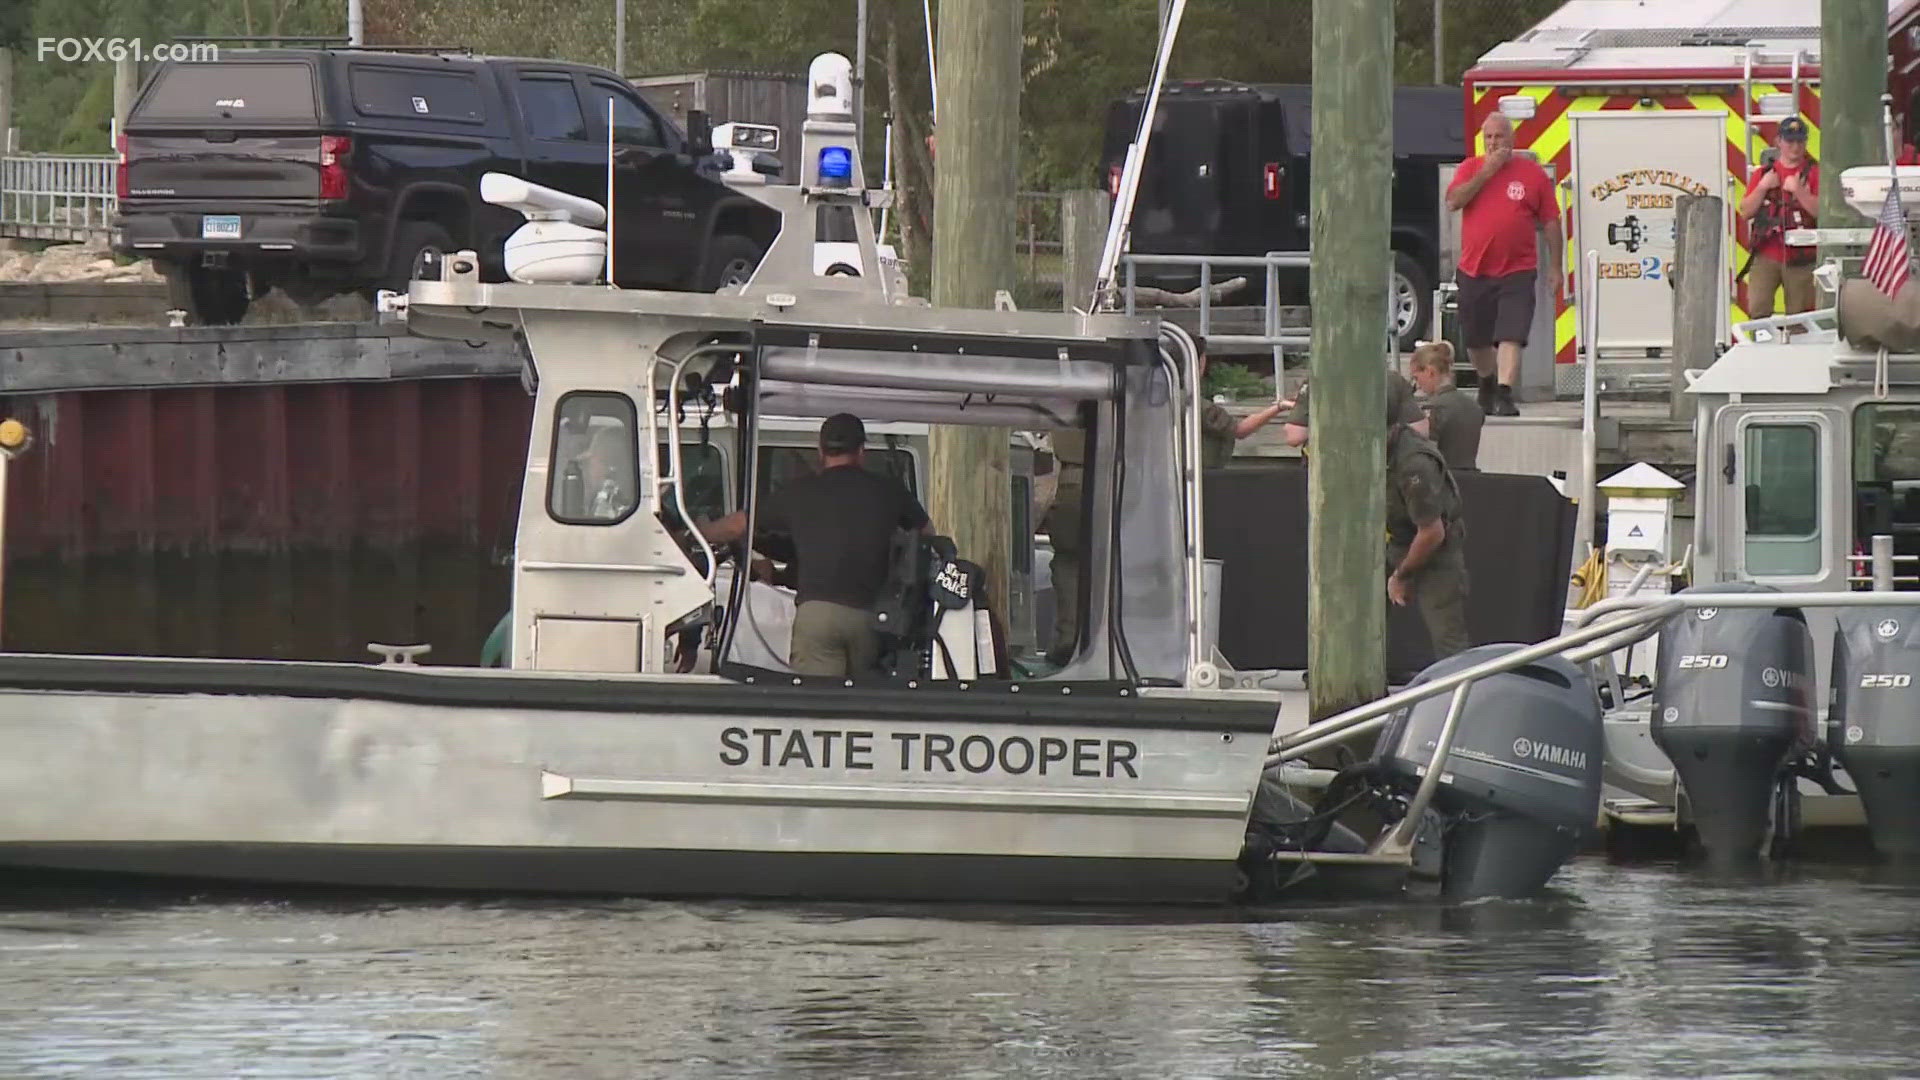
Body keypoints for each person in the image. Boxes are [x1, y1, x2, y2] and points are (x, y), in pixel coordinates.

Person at [700, 413, 931, 677]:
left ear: (820, 450)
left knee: (821, 707)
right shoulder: (889, 490)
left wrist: (698, 531)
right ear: (861, 451)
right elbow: (927, 535)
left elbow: (736, 526)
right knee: (867, 703)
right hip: (873, 615)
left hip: (817, 617)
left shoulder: (798, 493)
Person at [1445, 111, 1563, 418]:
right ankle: (1487, 383)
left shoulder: (1532, 174)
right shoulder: (1470, 168)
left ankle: (1505, 392)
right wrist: (1486, 172)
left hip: (1517, 270)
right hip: (1475, 269)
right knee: (1475, 339)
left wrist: (1555, 268)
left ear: (1512, 139)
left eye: (1500, 137)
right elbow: (1453, 202)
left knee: (1512, 333)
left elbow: (1551, 222)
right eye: (1489, 137)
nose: (1494, 143)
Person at [1386, 420, 1471, 662]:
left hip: (1433, 548)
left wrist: (1401, 575)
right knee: (1358, 623)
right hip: (1391, 535)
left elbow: (1432, 532)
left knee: (1448, 639)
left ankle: (1456, 692)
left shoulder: (1414, 464)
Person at [1737, 115, 1819, 319]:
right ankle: (1762, 349)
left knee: (1801, 317)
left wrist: (1799, 191)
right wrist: (1763, 187)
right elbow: (1746, 212)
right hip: (1767, 253)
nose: (1795, 146)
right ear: (1778, 142)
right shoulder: (1764, 173)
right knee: (1758, 310)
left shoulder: (1815, 173)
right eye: (1790, 141)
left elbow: (1821, 213)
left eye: (1800, 141)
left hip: (1802, 257)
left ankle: (1799, 350)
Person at [1194, 335, 1287, 468]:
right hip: (1200, 474)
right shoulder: (1200, 407)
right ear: (1199, 362)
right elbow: (1240, 430)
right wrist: (1278, 407)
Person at [1280, 369, 1427, 449]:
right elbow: (1420, 431)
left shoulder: (1319, 381)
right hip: (1384, 472)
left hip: (1332, 475)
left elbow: (1294, 436)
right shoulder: (1393, 380)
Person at [1406, 340, 1483, 471]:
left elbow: (1427, 454)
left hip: (1442, 481)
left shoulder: (1433, 408)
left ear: (1430, 372)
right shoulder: (1475, 407)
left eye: (1417, 378)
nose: (1418, 385)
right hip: (1472, 479)